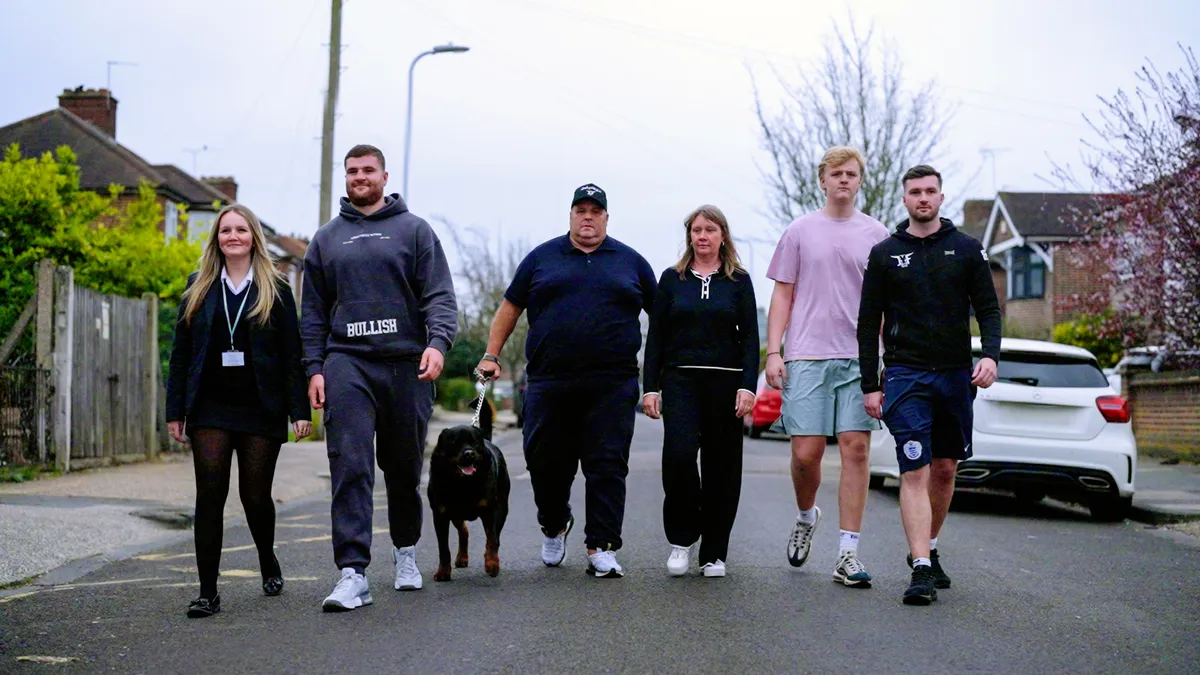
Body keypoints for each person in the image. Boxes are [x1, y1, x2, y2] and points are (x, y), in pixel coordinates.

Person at [301, 144, 458, 611]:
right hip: (348, 361)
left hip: (406, 364)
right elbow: (311, 313)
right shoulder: (326, 240)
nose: (359, 177)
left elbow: (440, 296)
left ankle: (406, 553)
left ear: (384, 176)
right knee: (350, 464)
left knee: (404, 467)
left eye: (368, 170)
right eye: (351, 171)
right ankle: (352, 573)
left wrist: (438, 343)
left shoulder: (414, 231)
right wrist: (314, 368)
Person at [475, 183, 656, 579]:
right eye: (580, 210)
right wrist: (491, 353)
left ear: (607, 217)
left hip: (613, 383)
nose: (587, 216)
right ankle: (554, 525)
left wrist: (660, 375)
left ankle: (601, 546)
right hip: (549, 382)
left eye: (595, 210)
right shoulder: (542, 258)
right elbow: (511, 306)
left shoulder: (631, 262)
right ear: (570, 215)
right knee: (545, 465)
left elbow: (662, 319)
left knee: (607, 466)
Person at [856, 164, 1001, 605]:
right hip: (905, 375)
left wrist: (991, 355)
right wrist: (870, 384)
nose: (923, 198)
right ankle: (920, 568)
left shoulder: (967, 249)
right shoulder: (884, 254)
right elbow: (867, 324)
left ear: (941, 197)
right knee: (915, 469)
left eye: (930, 191)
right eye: (915, 192)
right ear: (905, 200)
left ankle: (928, 546)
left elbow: (989, 310)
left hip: (955, 375)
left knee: (945, 469)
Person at [166, 204, 312, 619]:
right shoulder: (198, 286)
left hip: (260, 408)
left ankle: (266, 557)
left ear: (253, 238)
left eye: (241, 230)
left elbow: (291, 355)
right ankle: (207, 592)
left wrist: (299, 410)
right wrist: (174, 410)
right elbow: (181, 356)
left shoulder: (276, 288)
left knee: (254, 497)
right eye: (225, 230)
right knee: (209, 498)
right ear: (216, 238)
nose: (233, 236)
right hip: (209, 407)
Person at [763, 146, 890, 587]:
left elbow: (889, 304)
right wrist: (774, 351)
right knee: (806, 455)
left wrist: (886, 358)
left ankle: (847, 554)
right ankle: (805, 515)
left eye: (851, 174)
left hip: (860, 357)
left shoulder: (878, 234)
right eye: (836, 173)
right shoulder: (799, 231)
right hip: (806, 354)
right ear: (822, 179)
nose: (843, 180)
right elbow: (782, 293)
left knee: (856, 449)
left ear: (859, 181)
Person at [641, 205, 758, 578]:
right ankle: (681, 539)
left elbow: (752, 339)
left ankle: (713, 553)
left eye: (710, 229)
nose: (703, 236)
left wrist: (747, 386)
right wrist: (650, 388)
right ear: (689, 236)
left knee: (722, 467)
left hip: (726, 381)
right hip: (680, 380)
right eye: (696, 230)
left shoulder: (739, 281)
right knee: (678, 457)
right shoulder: (671, 280)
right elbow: (657, 336)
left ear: (723, 235)